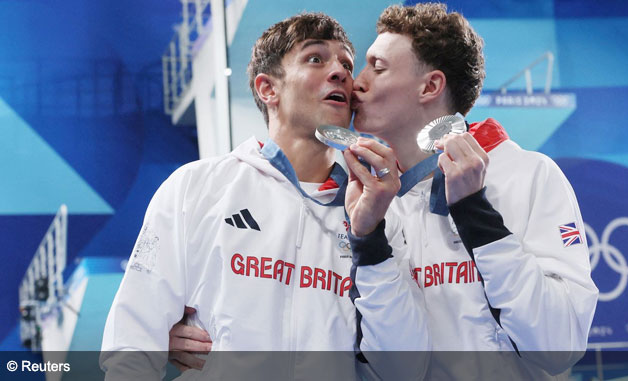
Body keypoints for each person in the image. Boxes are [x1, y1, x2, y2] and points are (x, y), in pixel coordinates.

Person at [100, 12, 428, 381]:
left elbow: (406, 368)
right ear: (267, 88)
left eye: (346, 65)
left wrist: (369, 239)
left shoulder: (379, 213)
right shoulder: (197, 187)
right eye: (316, 58)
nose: (340, 72)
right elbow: (133, 339)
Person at [350, 3, 598, 379]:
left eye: (377, 67)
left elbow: (558, 345)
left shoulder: (528, 174)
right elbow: (396, 369)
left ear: (430, 86)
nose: (357, 81)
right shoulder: (370, 203)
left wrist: (475, 214)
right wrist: (369, 239)